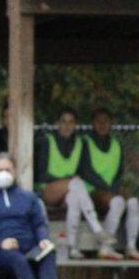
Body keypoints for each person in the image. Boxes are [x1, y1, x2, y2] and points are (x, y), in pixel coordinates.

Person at [33, 107, 112, 256]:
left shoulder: (80, 143)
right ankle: (97, 228)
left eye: (71, 122)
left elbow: (87, 171)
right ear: (57, 123)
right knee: (75, 183)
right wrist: (67, 179)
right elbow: (41, 175)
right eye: (63, 121)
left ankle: (73, 246)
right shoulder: (47, 141)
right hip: (47, 190)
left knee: (74, 197)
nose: (67, 125)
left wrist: (107, 188)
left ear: (76, 124)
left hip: (68, 191)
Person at [82, 108, 139, 259]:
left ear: (111, 124)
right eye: (98, 121)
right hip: (91, 191)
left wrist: (113, 188)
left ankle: (131, 246)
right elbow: (85, 170)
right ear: (93, 123)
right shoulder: (85, 142)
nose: (102, 124)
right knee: (118, 201)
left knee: (133, 202)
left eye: (106, 121)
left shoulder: (117, 145)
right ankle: (105, 247)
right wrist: (108, 189)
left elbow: (119, 172)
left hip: (110, 191)